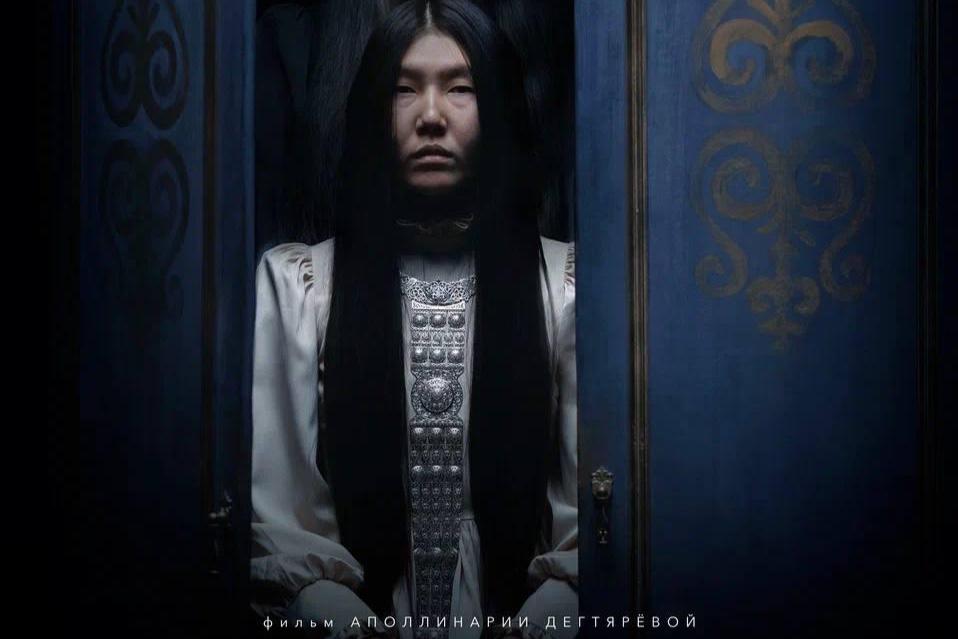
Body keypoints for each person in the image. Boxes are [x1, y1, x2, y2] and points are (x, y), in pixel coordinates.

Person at [250, 2, 577, 637]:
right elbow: (279, 522)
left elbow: (584, 531)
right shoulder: (302, 289)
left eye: (461, 88)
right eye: (404, 89)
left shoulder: (562, 289)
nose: (431, 116)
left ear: (499, 108)